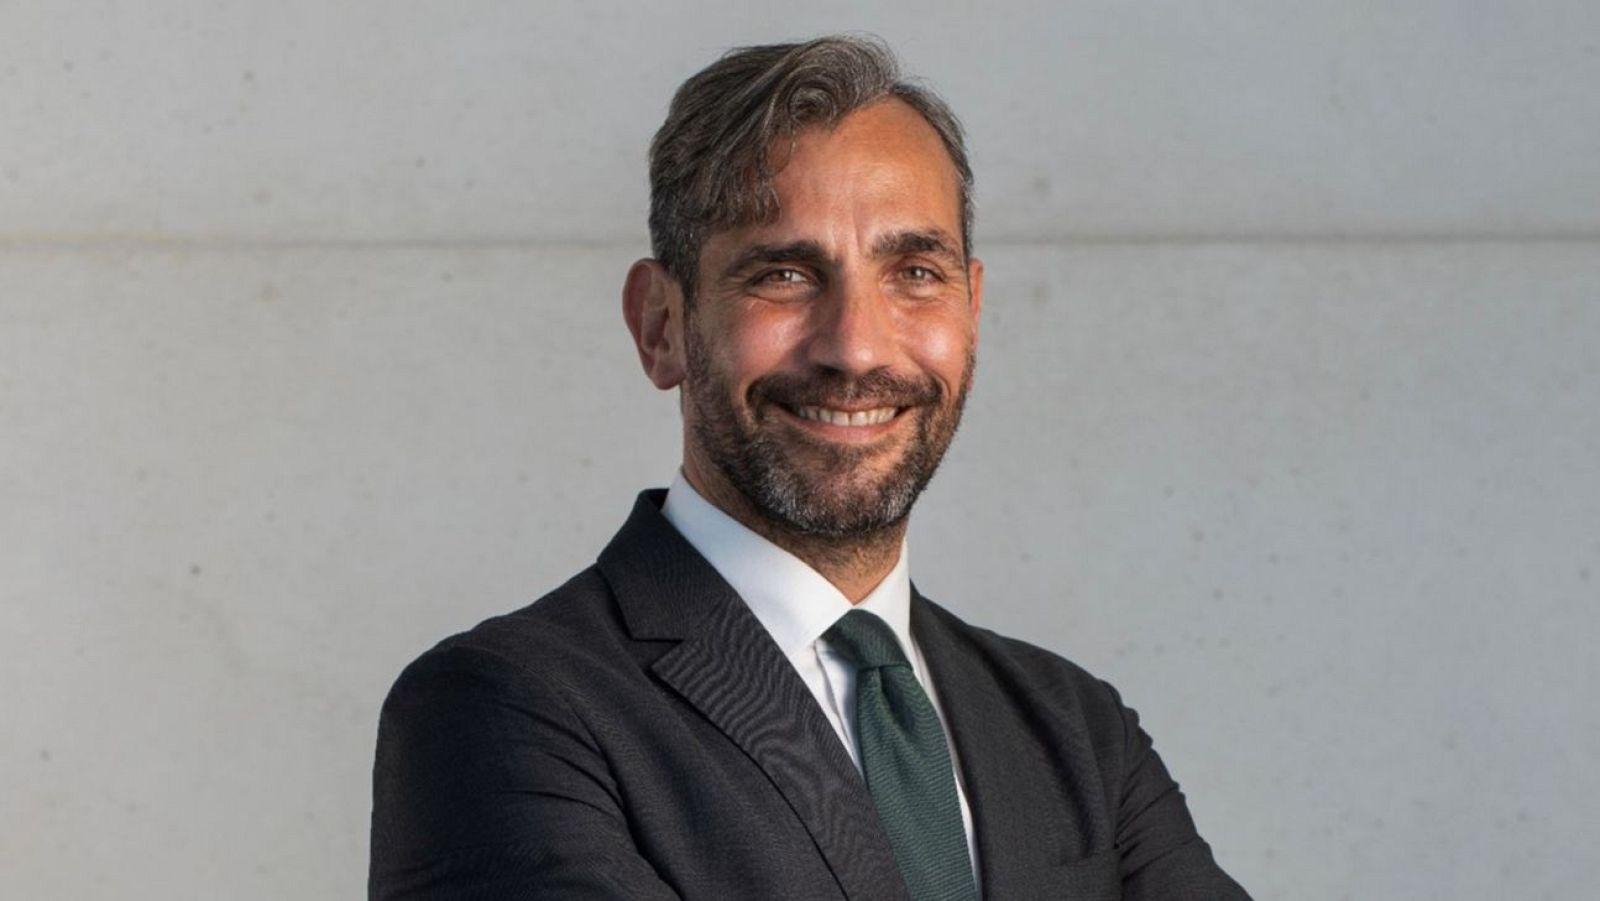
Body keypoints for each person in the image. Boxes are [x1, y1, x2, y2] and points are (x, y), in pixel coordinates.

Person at [369, 36, 1250, 901]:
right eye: (785, 273)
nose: (857, 347)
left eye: (914, 271)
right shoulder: (505, 711)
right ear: (661, 324)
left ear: (971, 312)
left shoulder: (1075, 730)